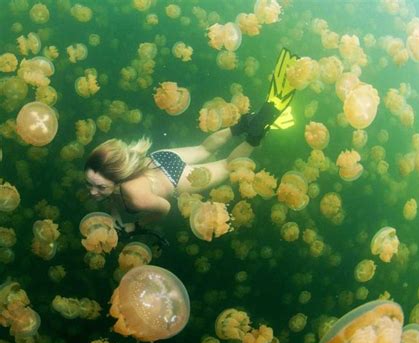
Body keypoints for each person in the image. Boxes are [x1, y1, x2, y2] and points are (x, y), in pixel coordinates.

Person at [84, 48, 298, 234]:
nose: (92, 192)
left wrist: (135, 227)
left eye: (99, 187)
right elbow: (112, 195)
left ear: (118, 179)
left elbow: (164, 208)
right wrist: (113, 215)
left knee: (227, 166)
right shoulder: (117, 176)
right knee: (204, 148)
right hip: (158, 160)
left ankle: (256, 133)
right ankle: (244, 123)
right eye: (90, 185)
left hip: (172, 177)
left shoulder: (135, 197)